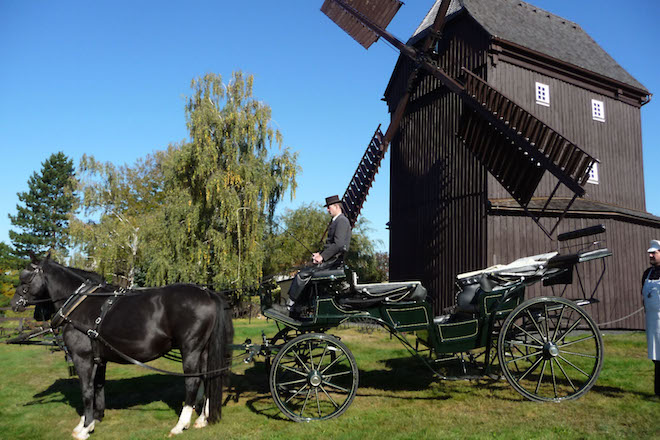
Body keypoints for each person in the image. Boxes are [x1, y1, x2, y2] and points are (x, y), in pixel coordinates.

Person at [286, 195, 352, 313]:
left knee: (303, 275)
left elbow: (339, 244)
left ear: (336, 206)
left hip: (334, 262)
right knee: (305, 271)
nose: (327, 210)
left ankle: (291, 304)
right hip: (332, 260)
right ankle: (302, 306)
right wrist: (320, 254)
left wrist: (322, 257)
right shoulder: (337, 221)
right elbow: (333, 245)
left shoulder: (341, 221)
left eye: (329, 207)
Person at [642, 239, 660, 396]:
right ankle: (658, 390)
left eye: (654, 253)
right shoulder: (647, 273)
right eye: (650, 253)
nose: (651, 255)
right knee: (656, 356)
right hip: (652, 320)